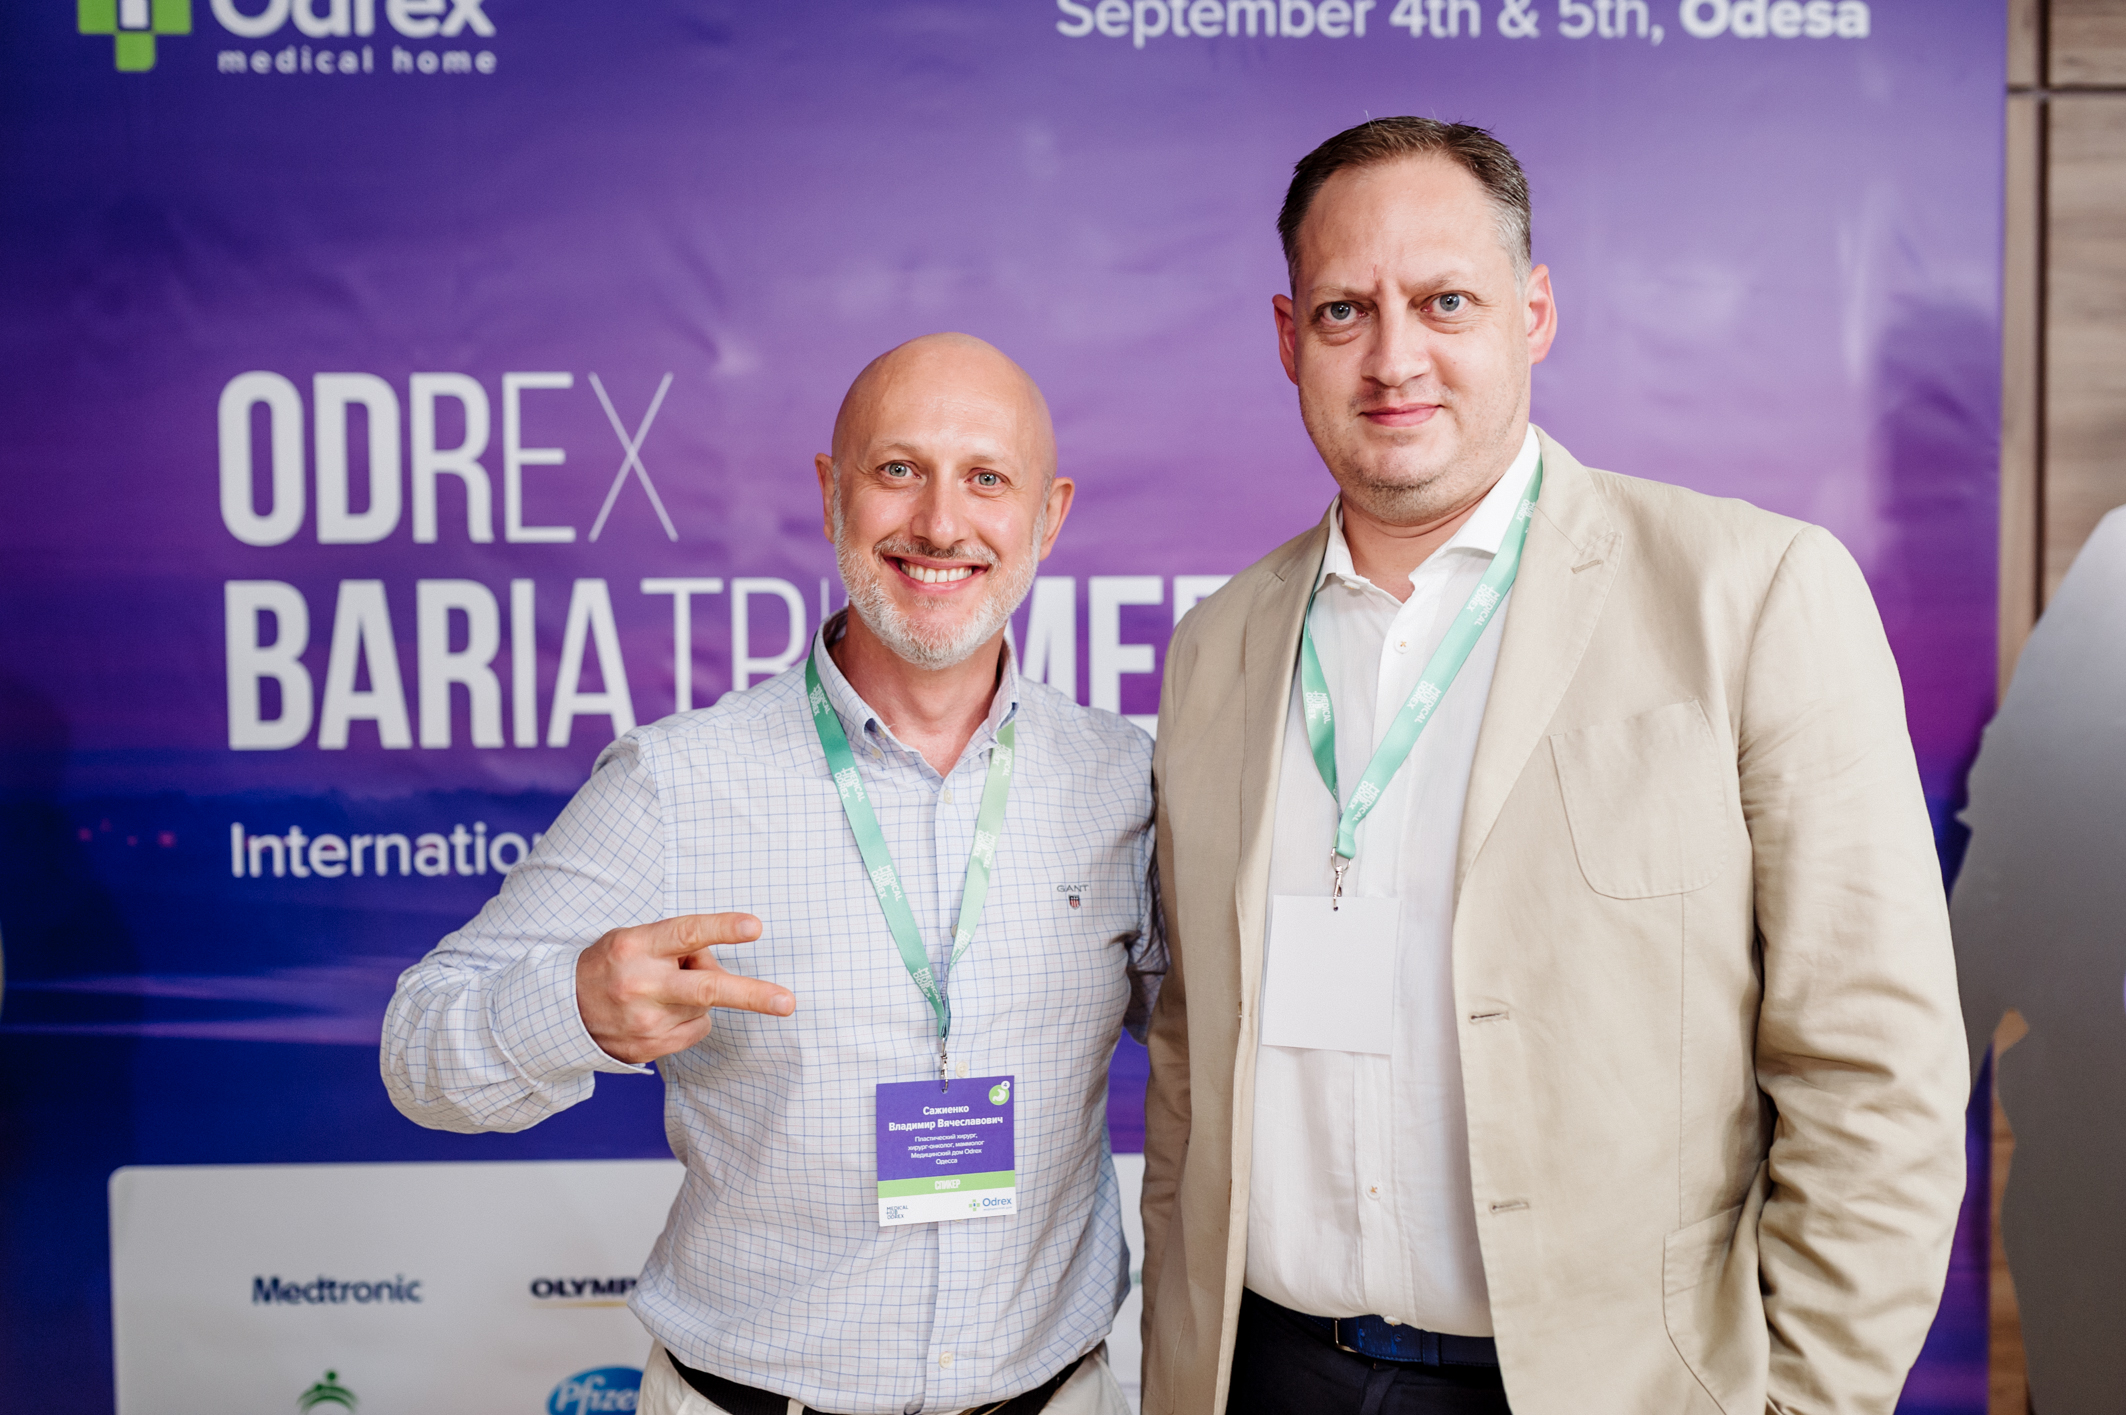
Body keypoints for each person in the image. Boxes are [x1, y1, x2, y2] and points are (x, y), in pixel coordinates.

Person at [1139, 118, 1968, 1415]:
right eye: (1345, 309)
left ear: (1531, 314)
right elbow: (1190, 1054)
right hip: (1269, 1371)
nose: (1393, 356)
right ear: (1288, 337)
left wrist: (1803, 1401)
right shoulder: (1215, 648)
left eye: (1444, 302)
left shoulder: (1746, 594)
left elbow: (1873, 1069)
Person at [383, 333, 1153, 1415]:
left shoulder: (1123, 780)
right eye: (898, 469)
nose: (940, 522)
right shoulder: (675, 782)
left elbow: (1226, 1045)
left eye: (986, 477)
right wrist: (575, 1008)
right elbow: (418, 1050)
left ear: (1049, 515)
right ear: (832, 494)